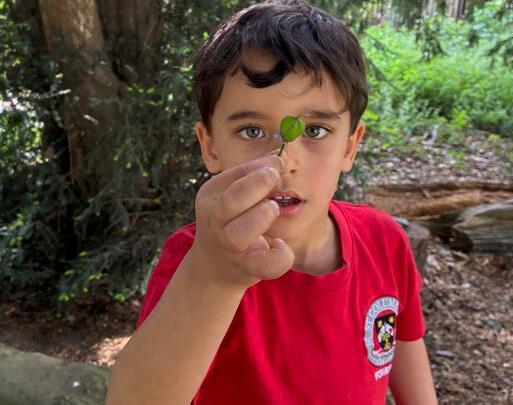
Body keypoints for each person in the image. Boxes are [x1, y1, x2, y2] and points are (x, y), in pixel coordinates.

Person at [106, 1, 438, 404]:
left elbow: (407, 356)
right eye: (251, 131)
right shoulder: (195, 260)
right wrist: (214, 276)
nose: (283, 162)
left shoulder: (383, 241)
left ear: (350, 147)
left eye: (315, 130)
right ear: (210, 147)